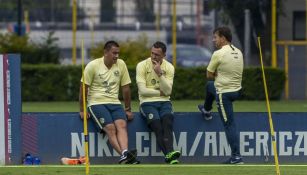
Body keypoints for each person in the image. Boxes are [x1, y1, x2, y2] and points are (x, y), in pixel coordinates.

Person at [79, 40, 138, 164]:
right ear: (105, 52)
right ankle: (124, 155)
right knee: (110, 128)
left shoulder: (121, 64)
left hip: (115, 103)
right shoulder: (93, 65)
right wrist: (82, 109)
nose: (116, 56)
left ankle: (125, 154)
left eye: (118, 53)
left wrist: (128, 109)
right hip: (96, 103)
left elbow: (126, 88)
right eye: (114, 53)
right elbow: (83, 88)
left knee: (122, 125)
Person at [198, 27, 244, 164]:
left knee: (229, 124)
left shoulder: (218, 53)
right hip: (238, 91)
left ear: (223, 38)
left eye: (215, 37)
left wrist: (217, 74)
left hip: (224, 94)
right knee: (210, 87)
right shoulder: (239, 51)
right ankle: (206, 109)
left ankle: (236, 157)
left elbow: (209, 75)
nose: (213, 40)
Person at [136, 41, 181, 164]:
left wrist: (160, 73)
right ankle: (170, 154)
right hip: (147, 103)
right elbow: (142, 91)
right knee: (157, 126)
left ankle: (169, 156)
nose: (153, 57)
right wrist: (160, 92)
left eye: (157, 55)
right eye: (152, 53)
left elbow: (168, 91)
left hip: (164, 102)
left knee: (167, 122)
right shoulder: (142, 65)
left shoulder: (169, 67)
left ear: (164, 55)